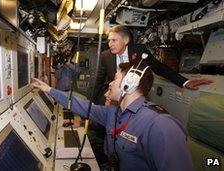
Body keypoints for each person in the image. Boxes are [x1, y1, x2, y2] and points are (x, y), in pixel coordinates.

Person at [31, 62, 193, 171]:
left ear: (128, 84)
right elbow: (81, 106)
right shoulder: (113, 113)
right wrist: (49, 89)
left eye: (115, 79)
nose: (110, 83)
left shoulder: (161, 124)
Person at [92, 25, 212, 104]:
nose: (110, 44)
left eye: (114, 40)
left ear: (126, 40)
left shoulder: (139, 50)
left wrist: (185, 82)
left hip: (134, 98)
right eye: (108, 40)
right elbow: (99, 80)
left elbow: (159, 67)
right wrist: (91, 104)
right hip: (113, 99)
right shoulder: (105, 56)